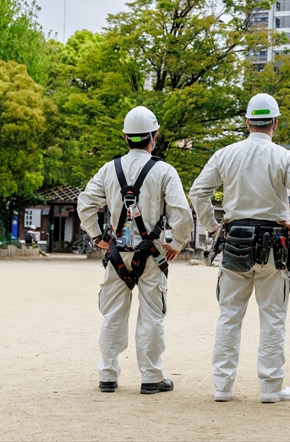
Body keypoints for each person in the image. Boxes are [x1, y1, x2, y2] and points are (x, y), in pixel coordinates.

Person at [189, 93, 290, 404]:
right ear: (275, 123)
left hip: (235, 242)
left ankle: (223, 386)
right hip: (275, 244)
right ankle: (271, 388)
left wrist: (212, 227)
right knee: (273, 317)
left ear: (247, 122)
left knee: (229, 316)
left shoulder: (225, 155)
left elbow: (198, 192)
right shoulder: (286, 157)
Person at [77, 106, 194, 394]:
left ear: (126, 137)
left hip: (116, 254)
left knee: (112, 314)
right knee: (152, 314)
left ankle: (107, 375)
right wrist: (177, 244)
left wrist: (98, 236)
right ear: (154, 136)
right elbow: (182, 214)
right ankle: (151, 377)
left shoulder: (109, 169)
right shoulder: (164, 170)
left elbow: (85, 204)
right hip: (152, 254)